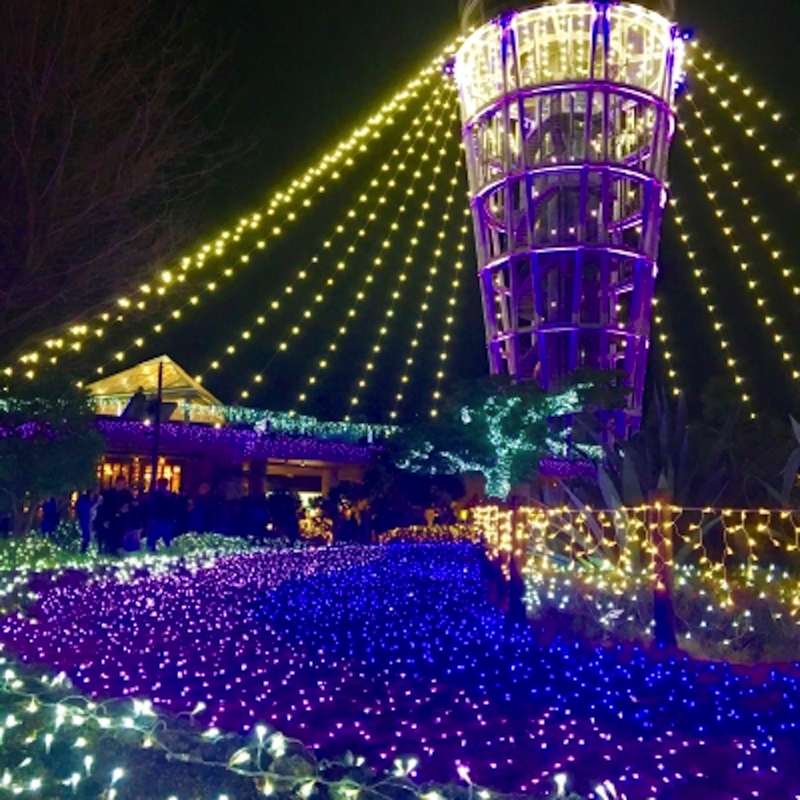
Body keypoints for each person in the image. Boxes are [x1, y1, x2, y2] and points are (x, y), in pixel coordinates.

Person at [97, 476, 134, 556]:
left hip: (122, 520)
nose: (121, 486)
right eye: (120, 484)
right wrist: (117, 510)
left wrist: (128, 508)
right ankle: (110, 551)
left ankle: (118, 551)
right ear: (116, 483)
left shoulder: (126, 494)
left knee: (120, 536)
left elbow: (131, 504)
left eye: (123, 484)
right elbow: (106, 506)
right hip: (112, 519)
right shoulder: (109, 494)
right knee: (111, 536)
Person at [147, 477, 176, 552]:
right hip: (167, 520)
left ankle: (152, 554)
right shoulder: (171, 496)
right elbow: (173, 508)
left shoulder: (155, 495)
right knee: (166, 541)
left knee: (152, 541)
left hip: (156, 520)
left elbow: (151, 507)